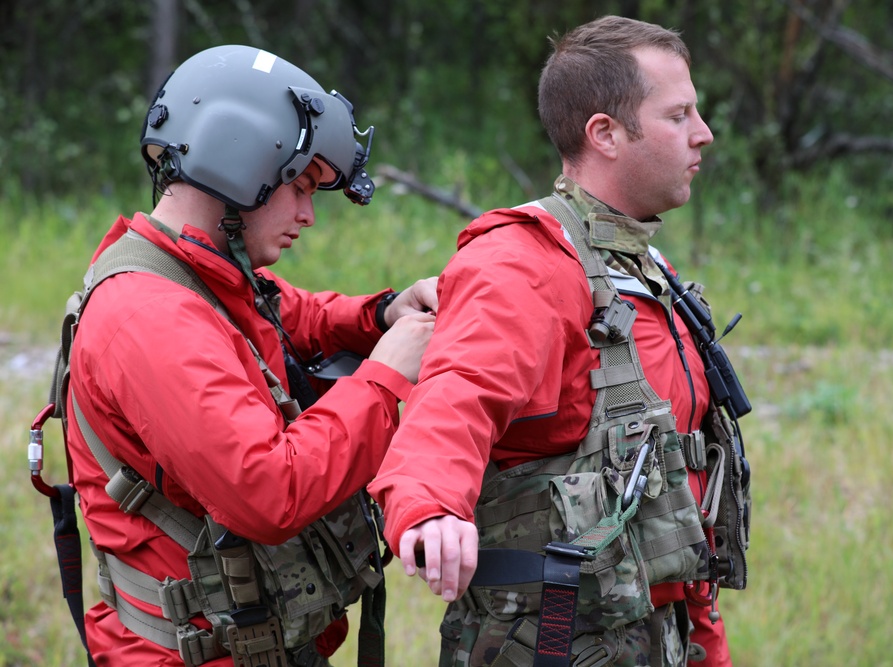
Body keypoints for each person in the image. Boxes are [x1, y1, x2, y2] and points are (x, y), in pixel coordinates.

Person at [369, 15, 748, 666]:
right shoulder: (522, 265)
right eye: (679, 114)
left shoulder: (646, 273)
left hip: (656, 635)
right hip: (551, 643)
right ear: (604, 133)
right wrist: (429, 507)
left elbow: (676, 489)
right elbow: (452, 405)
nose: (703, 134)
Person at [63, 45, 436, 666]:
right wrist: (387, 378)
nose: (309, 215)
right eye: (301, 187)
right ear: (238, 160)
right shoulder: (150, 316)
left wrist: (381, 315)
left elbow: (287, 315)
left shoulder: (194, 274)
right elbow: (268, 491)